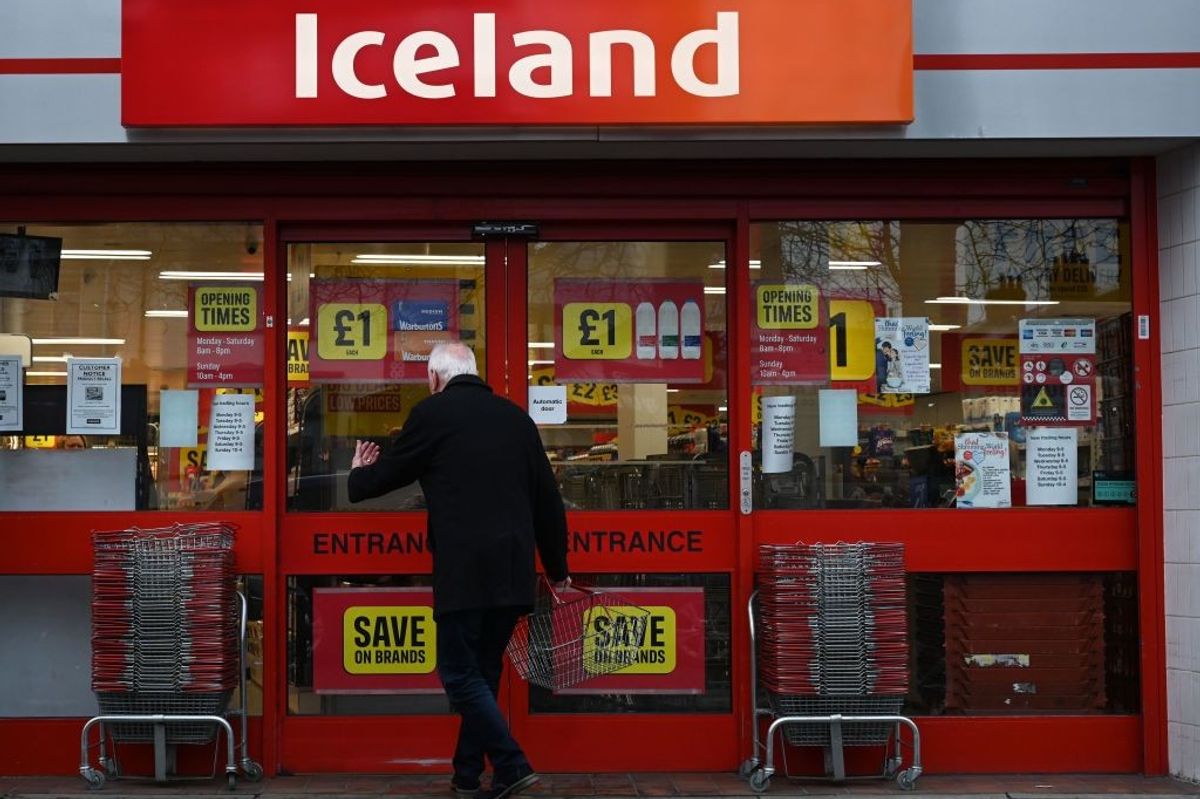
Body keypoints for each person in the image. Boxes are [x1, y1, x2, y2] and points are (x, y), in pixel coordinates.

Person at [347, 341, 569, 799]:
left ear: (434, 378)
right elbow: (548, 499)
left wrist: (358, 474)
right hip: (511, 572)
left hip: (465, 573)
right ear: (473, 371)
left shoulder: (433, 415)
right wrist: (558, 566)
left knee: (457, 674)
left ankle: (511, 763)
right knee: (483, 674)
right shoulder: (517, 419)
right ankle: (467, 776)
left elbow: (388, 476)